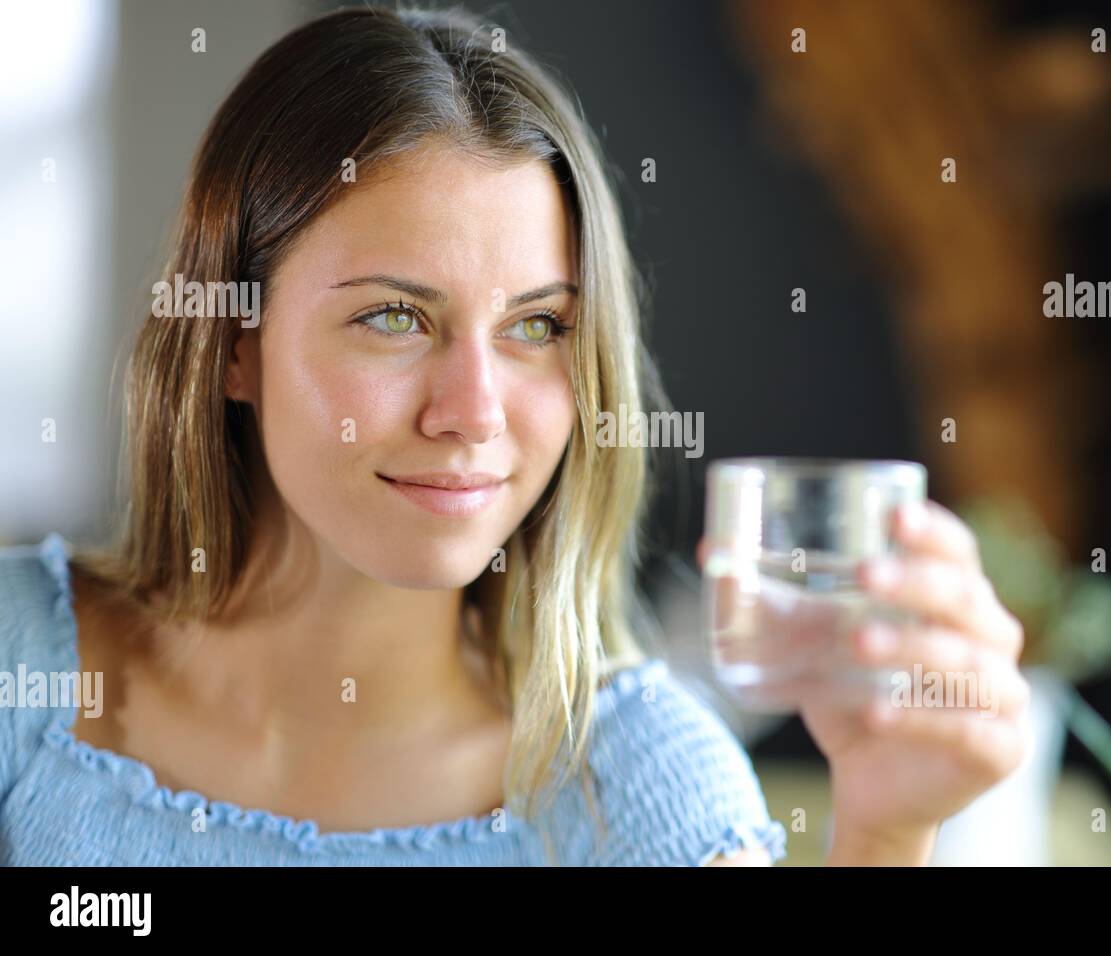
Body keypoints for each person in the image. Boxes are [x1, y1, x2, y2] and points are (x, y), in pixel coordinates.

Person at [0, 5, 1028, 867]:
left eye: (537, 326)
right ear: (233, 342)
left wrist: (889, 828)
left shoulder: (635, 785)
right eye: (394, 316)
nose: (476, 410)